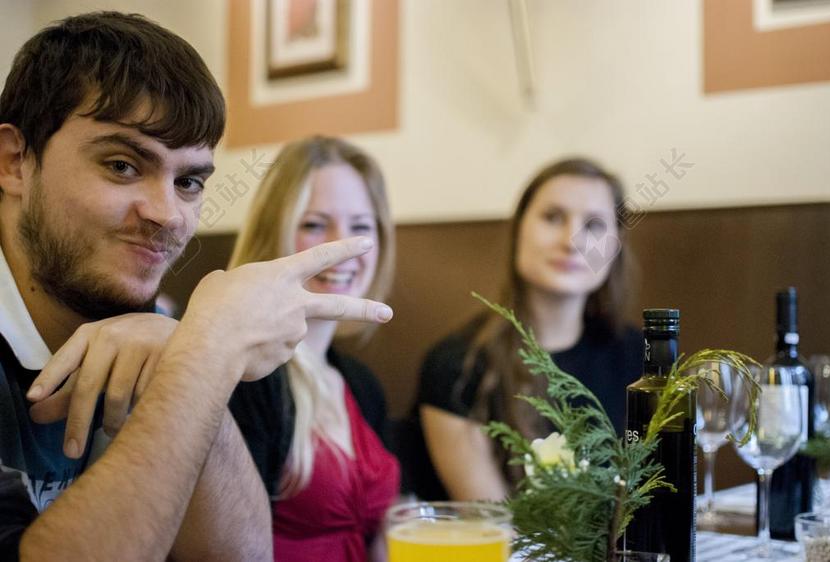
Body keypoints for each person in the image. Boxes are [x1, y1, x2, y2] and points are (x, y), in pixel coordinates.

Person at [0, 13, 392, 561]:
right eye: (122, 165)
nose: (168, 215)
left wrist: (185, 352)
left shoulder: (151, 336)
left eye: (188, 182)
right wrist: (206, 352)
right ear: (15, 161)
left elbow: (242, 556)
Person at [412, 157, 642, 501]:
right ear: (519, 228)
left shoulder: (637, 356)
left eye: (594, 225)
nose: (571, 241)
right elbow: (495, 522)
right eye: (553, 218)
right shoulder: (458, 365)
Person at [227, 136, 399, 562]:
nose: (341, 248)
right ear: (273, 233)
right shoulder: (246, 375)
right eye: (315, 224)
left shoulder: (361, 384)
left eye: (361, 226)